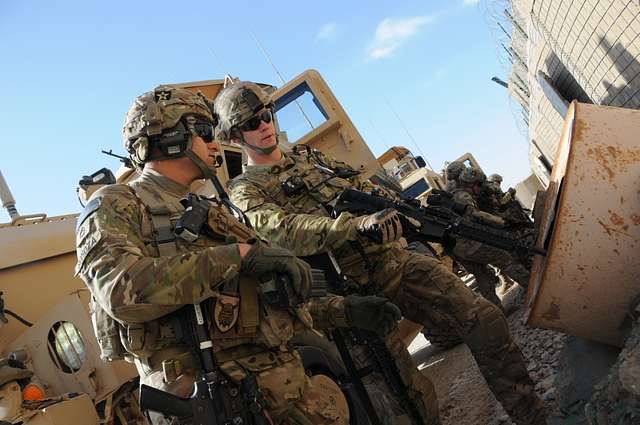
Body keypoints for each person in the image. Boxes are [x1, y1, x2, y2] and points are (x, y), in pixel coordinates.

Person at [216, 80, 548, 425]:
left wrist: (398, 211)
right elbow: (280, 229)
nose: (265, 125)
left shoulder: (310, 158)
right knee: (405, 401)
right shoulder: (244, 189)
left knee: (482, 317)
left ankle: (532, 415)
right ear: (236, 136)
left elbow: (361, 188)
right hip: (349, 293)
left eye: (267, 115)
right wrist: (353, 226)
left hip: (391, 262)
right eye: (252, 123)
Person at [75, 85, 402, 425]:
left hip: (278, 391)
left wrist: (343, 310)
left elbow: (269, 295)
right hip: (213, 400)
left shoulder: (208, 210)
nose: (215, 141)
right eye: (203, 131)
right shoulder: (116, 204)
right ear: (168, 137)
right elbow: (121, 291)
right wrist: (238, 257)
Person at [450, 167, 531, 287]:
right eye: (479, 184)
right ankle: (532, 285)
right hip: (468, 243)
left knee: (484, 276)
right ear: (471, 184)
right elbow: (477, 215)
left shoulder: (457, 194)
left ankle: (497, 304)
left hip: (460, 246)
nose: (481, 188)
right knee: (505, 258)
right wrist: (502, 221)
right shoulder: (463, 197)